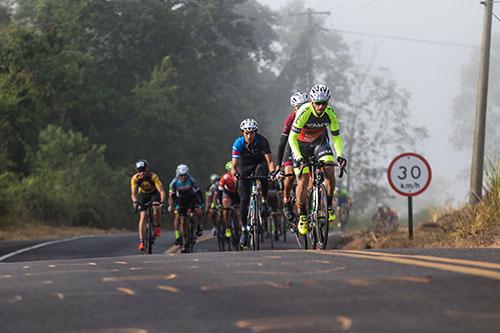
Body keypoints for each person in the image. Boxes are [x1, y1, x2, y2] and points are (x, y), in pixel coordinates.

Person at [288, 84, 347, 236]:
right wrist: (299, 157)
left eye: (324, 103)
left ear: (328, 103)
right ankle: (303, 216)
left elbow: (336, 137)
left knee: (329, 167)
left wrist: (340, 155)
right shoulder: (304, 111)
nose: (321, 106)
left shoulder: (330, 113)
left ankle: (328, 205)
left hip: (318, 143)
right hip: (300, 145)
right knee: (303, 180)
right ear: (312, 102)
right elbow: (292, 137)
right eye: (318, 103)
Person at [231, 118, 275, 247]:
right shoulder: (238, 143)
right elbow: (234, 166)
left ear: (256, 133)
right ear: (242, 133)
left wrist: (272, 173)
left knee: (263, 173)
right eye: (246, 133)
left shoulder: (262, 141)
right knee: (244, 199)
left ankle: (264, 201)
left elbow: (270, 162)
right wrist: (235, 174)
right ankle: (244, 230)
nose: (249, 136)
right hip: (244, 167)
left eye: (252, 133)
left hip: (259, 164)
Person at [276, 91, 310, 222]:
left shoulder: (311, 116)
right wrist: (278, 164)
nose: (302, 109)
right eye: (299, 107)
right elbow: (282, 143)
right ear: (294, 108)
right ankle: (286, 200)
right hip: (292, 148)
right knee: (289, 176)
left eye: (304, 105)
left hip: (307, 148)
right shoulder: (291, 118)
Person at [130, 159, 167, 251]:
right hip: (143, 195)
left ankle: (157, 225)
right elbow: (133, 193)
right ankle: (141, 241)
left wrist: (162, 201)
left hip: (154, 194)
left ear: (147, 168)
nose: (142, 172)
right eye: (139, 170)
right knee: (142, 217)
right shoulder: (135, 178)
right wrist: (135, 201)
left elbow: (161, 190)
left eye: (143, 170)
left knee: (155, 207)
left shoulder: (153, 176)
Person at [168, 164, 205, 252]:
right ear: (178, 175)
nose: (183, 177)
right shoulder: (174, 182)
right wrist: (174, 205)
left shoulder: (191, 180)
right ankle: (184, 242)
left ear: (187, 174)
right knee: (183, 221)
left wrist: (201, 204)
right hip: (181, 199)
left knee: (197, 210)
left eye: (185, 175)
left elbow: (198, 192)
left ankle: (199, 225)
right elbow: (172, 195)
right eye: (181, 175)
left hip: (192, 197)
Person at [214, 161, 241, 239]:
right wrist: (219, 203)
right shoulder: (225, 177)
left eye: (234, 169)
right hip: (228, 194)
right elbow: (219, 192)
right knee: (225, 209)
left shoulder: (239, 176)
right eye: (230, 170)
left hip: (237, 194)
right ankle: (227, 227)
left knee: (240, 212)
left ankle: (241, 228)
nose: (232, 172)